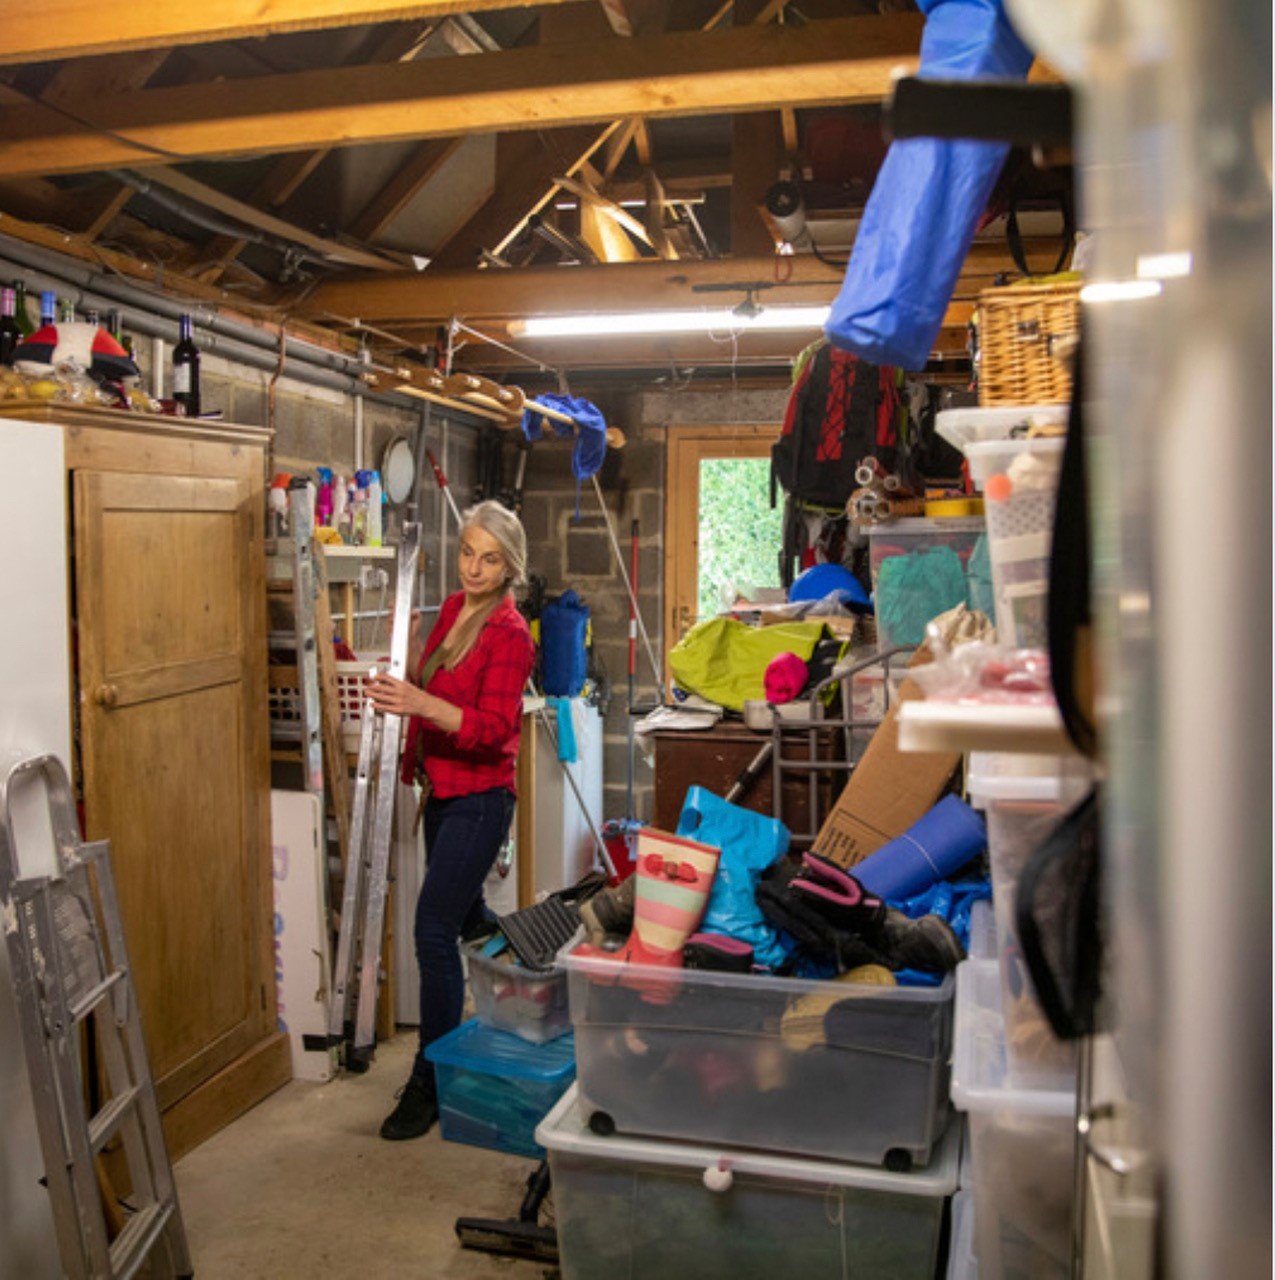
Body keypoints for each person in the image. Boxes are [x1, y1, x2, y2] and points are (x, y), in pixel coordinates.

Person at [366, 500, 535, 1141]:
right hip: (442, 792)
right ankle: (526, 948)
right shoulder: (452, 611)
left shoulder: (510, 634)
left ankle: (429, 1081)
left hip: (481, 800)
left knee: (432, 933)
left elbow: (492, 731)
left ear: (509, 566)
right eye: (467, 552)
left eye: (489, 559)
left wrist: (421, 702)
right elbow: (431, 689)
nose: (473, 567)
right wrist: (406, 668)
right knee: (465, 921)